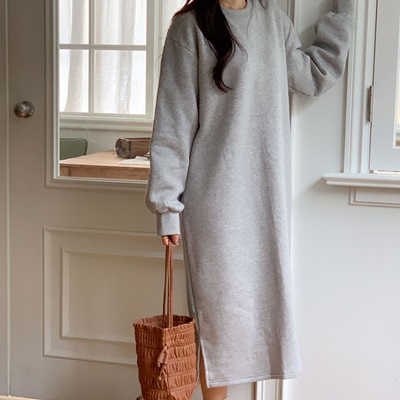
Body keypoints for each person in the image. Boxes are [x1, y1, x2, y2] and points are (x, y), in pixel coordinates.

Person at [145, 0, 354, 399]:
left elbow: (313, 75)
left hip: (266, 198)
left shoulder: (273, 20)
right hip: (214, 201)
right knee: (217, 317)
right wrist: (167, 207)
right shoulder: (190, 29)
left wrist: (343, 14)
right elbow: (172, 124)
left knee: (262, 313)